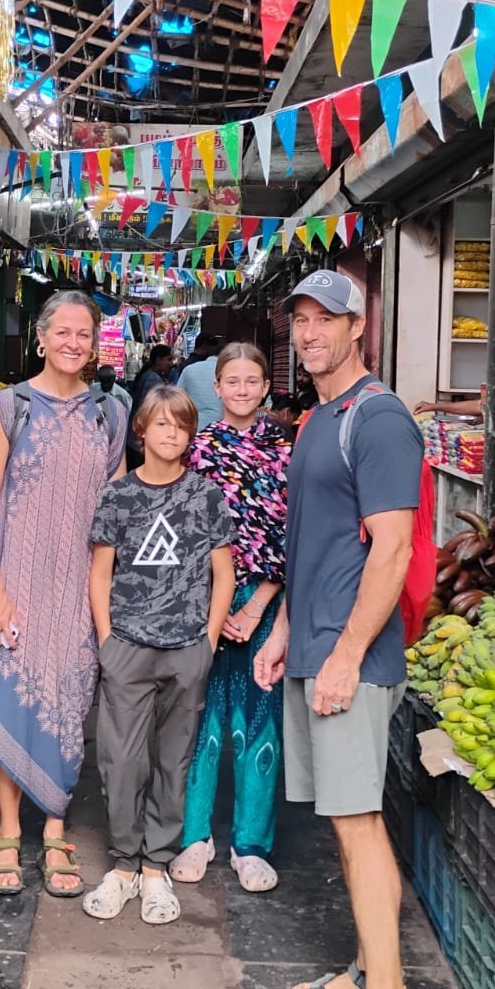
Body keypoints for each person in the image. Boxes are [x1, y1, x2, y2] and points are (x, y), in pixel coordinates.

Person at [254, 268, 431, 989]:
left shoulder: (380, 418)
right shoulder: (319, 417)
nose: (311, 332)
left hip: (351, 655)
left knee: (358, 823)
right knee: (349, 819)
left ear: (360, 325)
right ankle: (369, 968)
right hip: (318, 641)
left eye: (327, 318)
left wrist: (348, 655)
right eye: (300, 319)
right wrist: (285, 629)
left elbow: (390, 550)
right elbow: (314, 543)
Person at [0, 291, 126, 896]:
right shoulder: (10, 407)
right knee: (12, 697)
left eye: (83, 334)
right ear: (41, 338)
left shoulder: (109, 414)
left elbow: (114, 514)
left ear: (94, 344)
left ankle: (55, 828)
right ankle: (9, 831)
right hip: (17, 581)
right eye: (62, 332)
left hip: (79, 587)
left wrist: (105, 597)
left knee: (68, 702)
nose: (72, 343)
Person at [84, 387, 236, 925]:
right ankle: (124, 864)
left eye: (182, 426)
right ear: (141, 430)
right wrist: (107, 641)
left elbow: (224, 575)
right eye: (162, 424)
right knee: (121, 760)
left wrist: (208, 642)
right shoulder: (118, 495)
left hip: (187, 648)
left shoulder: (206, 496)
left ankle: (156, 869)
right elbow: (100, 573)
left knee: (174, 762)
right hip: (127, 645)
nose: (172, 434)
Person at [171, 343, 291, 894]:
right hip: (202, 600)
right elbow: (181, 535)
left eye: (252, 381)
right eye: (232, 381)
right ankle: (194, 835)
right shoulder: (196, 451)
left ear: (265, 387)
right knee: (199, 717)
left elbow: (294, 536)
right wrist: (213, 607)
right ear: (215, 388)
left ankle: (251, 843)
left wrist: (257, 603)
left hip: (265, 601)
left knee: (259, 716)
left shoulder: (286, 452)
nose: (242, 390)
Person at [177, 333, 222, 431]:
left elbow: (177, 399)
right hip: (221, 428)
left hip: (195, 426)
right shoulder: (227, 371)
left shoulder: (188, 368)